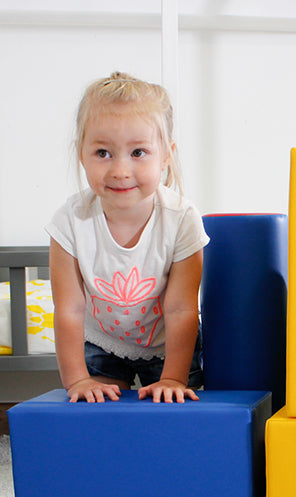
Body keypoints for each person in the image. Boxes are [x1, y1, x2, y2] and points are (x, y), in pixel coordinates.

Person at [47, 71, 209, 403]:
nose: (120, 170)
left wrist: (174, 378)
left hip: (169, 346)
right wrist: (77, 380)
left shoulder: (181, 219)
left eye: (138, 153)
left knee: (176, 413)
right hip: (100, 342)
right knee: (97, 413)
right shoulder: (69, 221)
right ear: (82, 153)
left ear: (166, 155)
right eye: (103, 153)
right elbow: (69, 310)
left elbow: (181, 309)